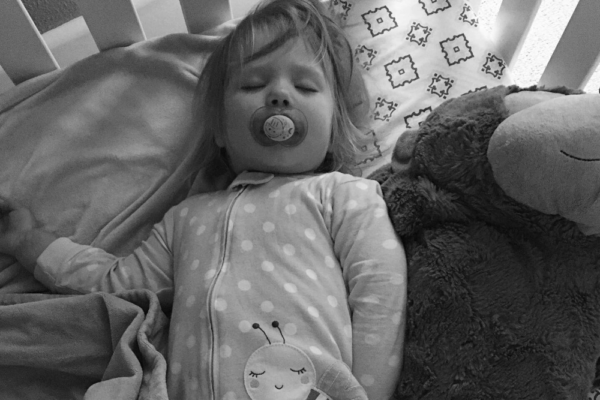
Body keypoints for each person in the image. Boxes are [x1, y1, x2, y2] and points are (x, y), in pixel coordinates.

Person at [0, 1, 407, 399]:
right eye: (253, 84)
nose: (280, 95)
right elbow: (115, 281)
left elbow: (381, 292)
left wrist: (366, 392)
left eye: (305, 86)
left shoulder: (342, 195)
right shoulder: (186, 218)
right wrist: (29, 241)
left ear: (334, 129)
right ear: (221, 131)